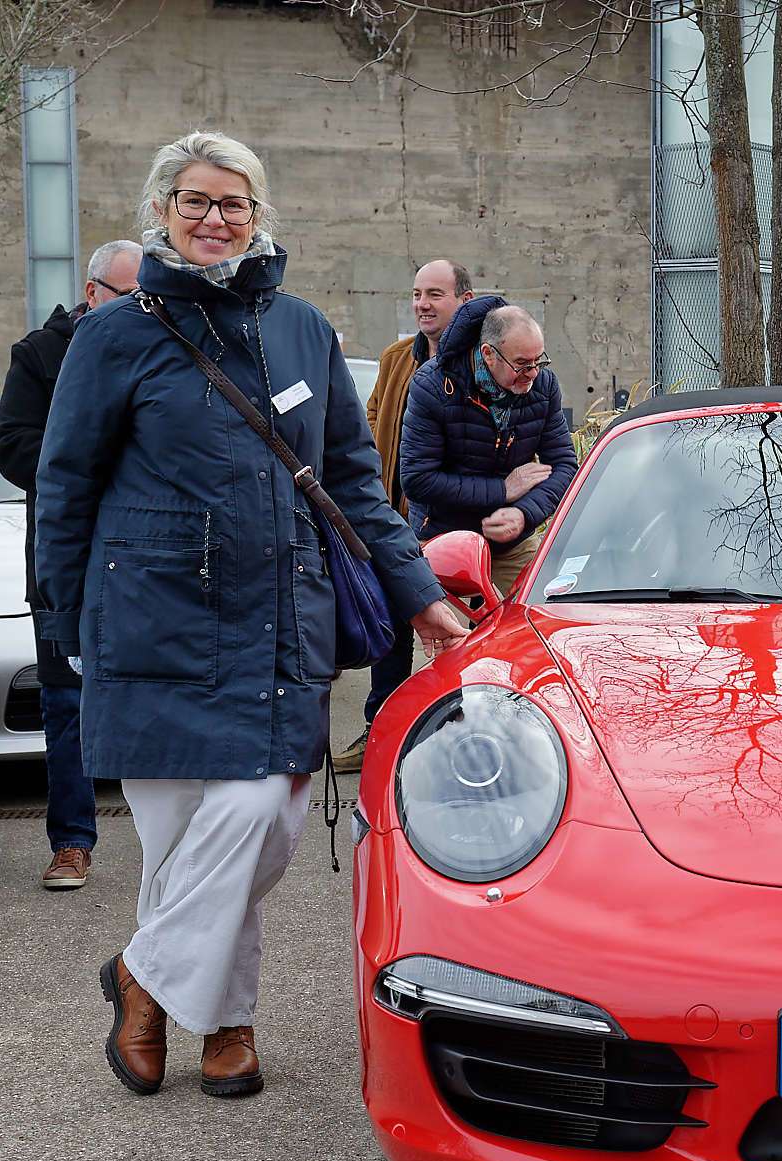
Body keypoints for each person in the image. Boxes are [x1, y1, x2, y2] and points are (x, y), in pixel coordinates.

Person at [36, 130, 469, 1099]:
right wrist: (65, 621)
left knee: (258, 818)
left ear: (257, 213)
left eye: (232, 202)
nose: (213, 218)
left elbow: (353, 482)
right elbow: (64, 486)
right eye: (194, 200)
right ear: (162, 210)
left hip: (278, 618)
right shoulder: (115, 335)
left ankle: (142, 976)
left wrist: (420, 595)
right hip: (150, 620)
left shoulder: (303, 328)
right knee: (177, 840)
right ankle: (228, 1022)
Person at [0, 239, 142, 892]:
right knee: (64, 700)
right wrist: (82, 466)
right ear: (91, 292)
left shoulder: (162, 349)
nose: (140, 307)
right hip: (65, 556)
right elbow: (11, 445)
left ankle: (176, 842)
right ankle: (72, 841)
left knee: (153, 693)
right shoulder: (39, 354)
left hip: (144, 556)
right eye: (128, 295)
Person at [331, 258, 475, 774]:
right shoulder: (396, 358)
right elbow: (371, 419)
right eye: (417, 294)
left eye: (435, 294)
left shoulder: (478, 361)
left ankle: (462, 732)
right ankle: (381, 729)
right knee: (391, 630)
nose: (422, 305)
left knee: (457, 633)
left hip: (458, 526)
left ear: (464, 299)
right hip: (396, 520)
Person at [398, 297, 577, 597]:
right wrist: (502, 491)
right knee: (448, 627)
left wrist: (524, 514)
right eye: (522, 364)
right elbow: (417, 479)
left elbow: (564, 466)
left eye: (539, 361)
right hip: (445, 541)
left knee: (538, 611)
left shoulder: (543, 386)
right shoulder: (432, 387)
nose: (533, 373)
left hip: (513, 542)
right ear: (488, 354)